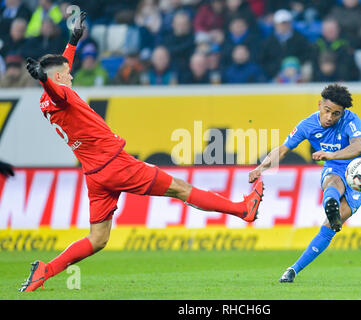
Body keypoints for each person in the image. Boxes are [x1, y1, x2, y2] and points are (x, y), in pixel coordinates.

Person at [20, 12, 264, 292]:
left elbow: (57, 75)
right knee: (181, 189)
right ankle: (243, 209)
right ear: (59, 78)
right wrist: (44, 80)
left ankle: (45, 270)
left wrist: (72, 42)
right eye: (67, 73)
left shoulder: (47, 101)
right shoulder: (61, 94)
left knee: (98, 239)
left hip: (95, 174)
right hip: (116, 164)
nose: (72, 74)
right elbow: (57, 88)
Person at [248, 84, 361, 283]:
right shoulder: (307, 125)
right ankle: (292, 270)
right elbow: (282, 150)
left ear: (343, 113)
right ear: (319, 105)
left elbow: (358, 147)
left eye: (336, 114)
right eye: (327, 111)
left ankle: (296, 266)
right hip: (335, 168)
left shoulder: (351, 120)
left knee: (332, 224)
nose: (330, 117)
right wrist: (260, 168)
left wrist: (331, 154)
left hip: (360, 172)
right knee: (333, 181)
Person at [259, 9, 311, 79]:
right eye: (281, 23)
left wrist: (294, 67)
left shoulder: (300, 39)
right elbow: (264, 61)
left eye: (286, 23)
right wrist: (279, 70)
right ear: (275, 24)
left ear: (290, 23)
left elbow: (307, 55)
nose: (283, 26)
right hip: (275, 75)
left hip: (297, 73)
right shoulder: (268, 42)